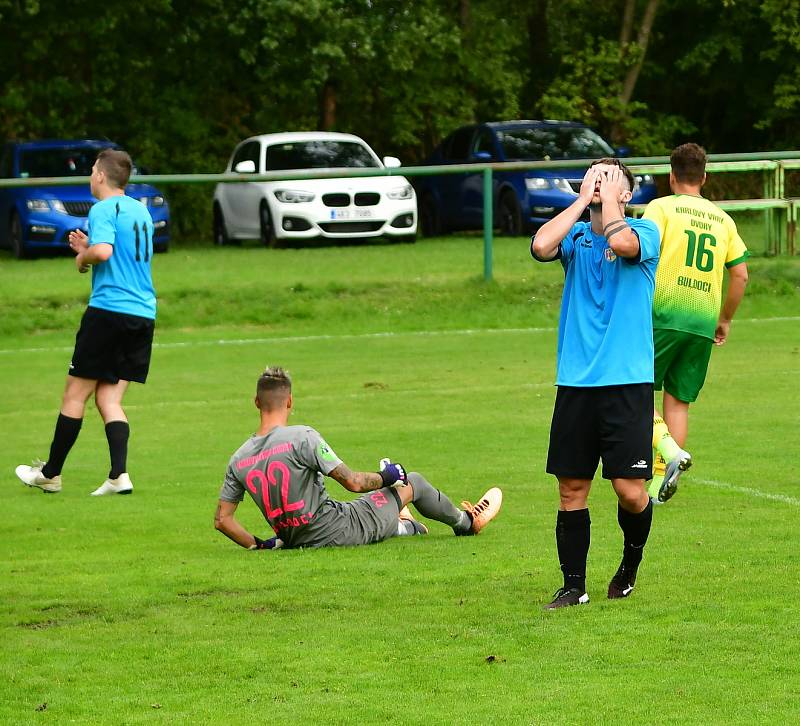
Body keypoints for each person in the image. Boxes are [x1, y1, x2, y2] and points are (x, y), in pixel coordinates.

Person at [531, 158, 661, 609]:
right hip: (576, 382)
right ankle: (573, 585)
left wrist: (608, 208)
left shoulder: (644, 232)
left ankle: (629, 563)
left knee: (629, 490)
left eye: (608, 178)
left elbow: (621, 242)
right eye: (592, 175)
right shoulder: (575, 237)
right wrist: (581, 202)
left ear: (626, 193)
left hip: (627, 382)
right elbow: (540, 246)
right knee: (571, 489)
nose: (599, 182)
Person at [214, 366, 503, 550]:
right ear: (289, 401)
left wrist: (260, 545)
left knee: (383, 505)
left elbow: (223, 520)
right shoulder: (303, 436)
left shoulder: (238, 458)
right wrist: (388, 476)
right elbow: (352, 482)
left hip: (294, 539)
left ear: (256, 403)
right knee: (410, 483)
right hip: (335, 529)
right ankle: (466, 523)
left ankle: (404, 524)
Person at [15, 148, 157, 496]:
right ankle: (118, 475)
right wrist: (90, 245)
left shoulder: (103, 208)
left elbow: (105, 252)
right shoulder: (142, 211)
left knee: (74, 394)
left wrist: (83, 255)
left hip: (109, 311)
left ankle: (50, 474)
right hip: (143, 313)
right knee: (108, 397)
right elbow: (116, 251)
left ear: (100, 176)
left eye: (92, 170)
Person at [643, 143, 749, 503]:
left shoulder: (660, 207)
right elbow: (741, 276)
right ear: (704, 177)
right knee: (678, 402)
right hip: (703, 320)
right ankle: (659, 485)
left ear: (671, 176)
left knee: (633, 390)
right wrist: (725, 320)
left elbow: (642, 249)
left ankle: (669, 454)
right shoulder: (723, 219)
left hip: (663, 314)